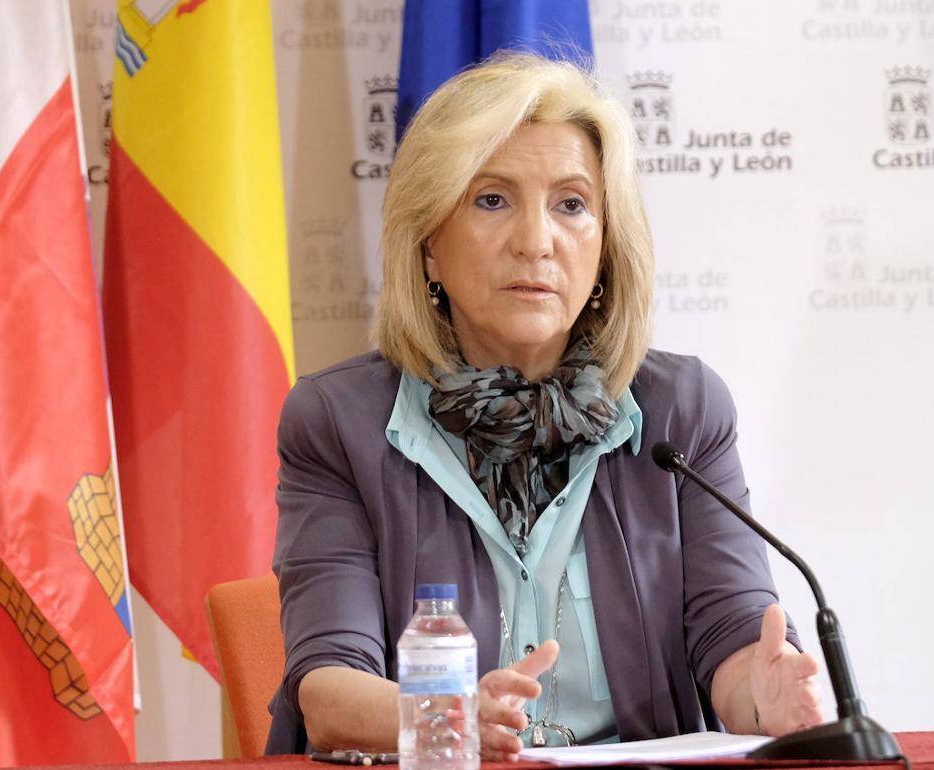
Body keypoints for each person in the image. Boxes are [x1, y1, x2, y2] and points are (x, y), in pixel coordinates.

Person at [266, 53, 823, 759]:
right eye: (492, 199)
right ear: (429, 242)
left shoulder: (681, 411)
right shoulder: (338, 423)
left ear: (605, 249)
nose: (536, 241)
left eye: (572, 204)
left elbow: (734, 634)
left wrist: (761, 696)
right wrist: (455, 721)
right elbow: (329, 690)